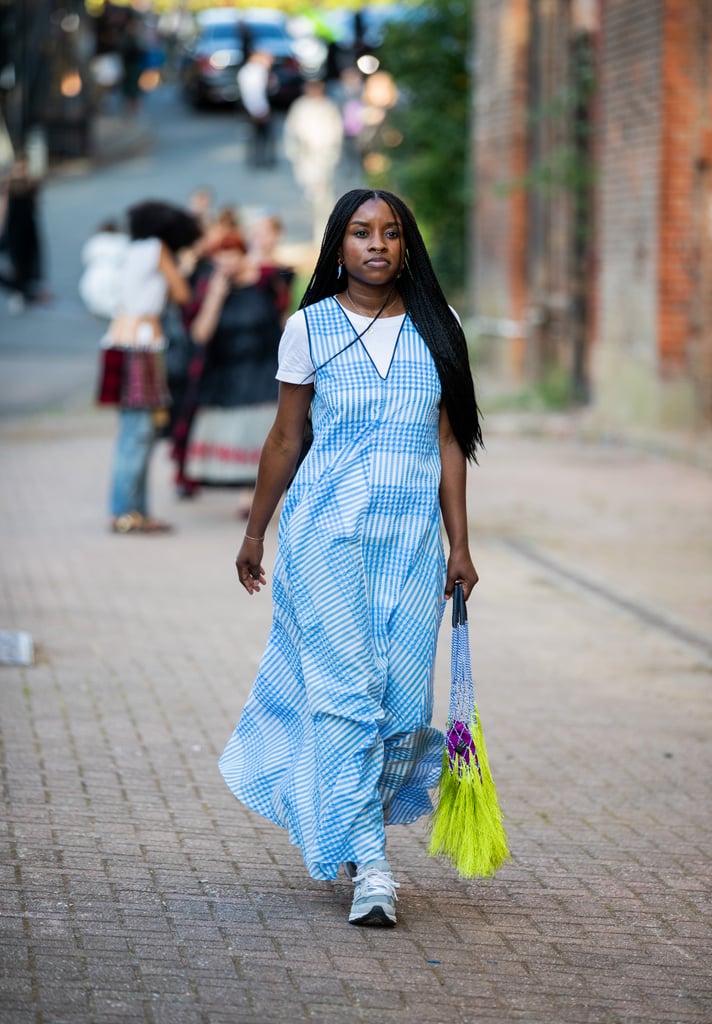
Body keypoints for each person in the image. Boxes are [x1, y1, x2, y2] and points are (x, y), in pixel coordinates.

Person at [218, 189, 483, 928]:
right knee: (344, 695)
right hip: (326, 531)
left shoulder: (441, 327)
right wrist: (253, 532)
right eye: (361, 233)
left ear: (406, 246)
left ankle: (340, 805)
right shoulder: (309, 329)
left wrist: (459, 544)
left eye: (391, 233)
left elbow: (449, 442)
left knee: (403, 708)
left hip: (411, 541)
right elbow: (284, 440)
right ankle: (372, 865)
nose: (377, 245)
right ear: (337, 246)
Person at [97, 199, 200, 534]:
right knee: (138, 434)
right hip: (141, 347)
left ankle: (134, 512)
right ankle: (126, 512)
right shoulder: (157, 249)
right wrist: (185, 264)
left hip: (122, 342)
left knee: (134, 432)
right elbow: (183, 293)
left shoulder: (133, 249)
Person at [176, 231, 284, 515]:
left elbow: (284, 322)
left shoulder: (266, 283)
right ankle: (249, 493)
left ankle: (254, 495)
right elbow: (200, 335)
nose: (226, 263)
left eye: (231, 256)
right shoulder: (208, 287)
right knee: (240, 435)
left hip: (264, 369)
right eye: (220, 258)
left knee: (263, 433)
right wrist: (215, 296)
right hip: (226, 373)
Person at [283, 77, 344, 242]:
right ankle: (319, 229)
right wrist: (294, 152)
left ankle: (324, 231)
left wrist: (332, 153)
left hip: (324, 158)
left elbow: (336, 130)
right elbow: (291, 130)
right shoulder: (300, 106)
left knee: (324, 195)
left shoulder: (328, 106)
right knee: (312, 194)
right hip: (306, 158)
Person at [0, 156, 48, 313]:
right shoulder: (9, 185)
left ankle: (27, 291)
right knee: (16, 262)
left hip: (28, 228)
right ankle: (20, 291)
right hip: (14, 229)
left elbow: (36, 205)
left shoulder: (30, 185)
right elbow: (4, 207)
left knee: (29, 261)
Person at [78, 218, 130, 319]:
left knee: (95, 291)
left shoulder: (96, 241)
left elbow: (86, 258)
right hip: (116, 273)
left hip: (97, 273)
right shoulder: (123, 240)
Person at [236, 50, 276, 168]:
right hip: (257, 110)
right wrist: (260, 111)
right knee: (261, 135)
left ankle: (258, 159)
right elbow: (254, 94)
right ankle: (260, 160)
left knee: (258, 136)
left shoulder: (252, 70)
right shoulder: (256, 71)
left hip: (254, 109)